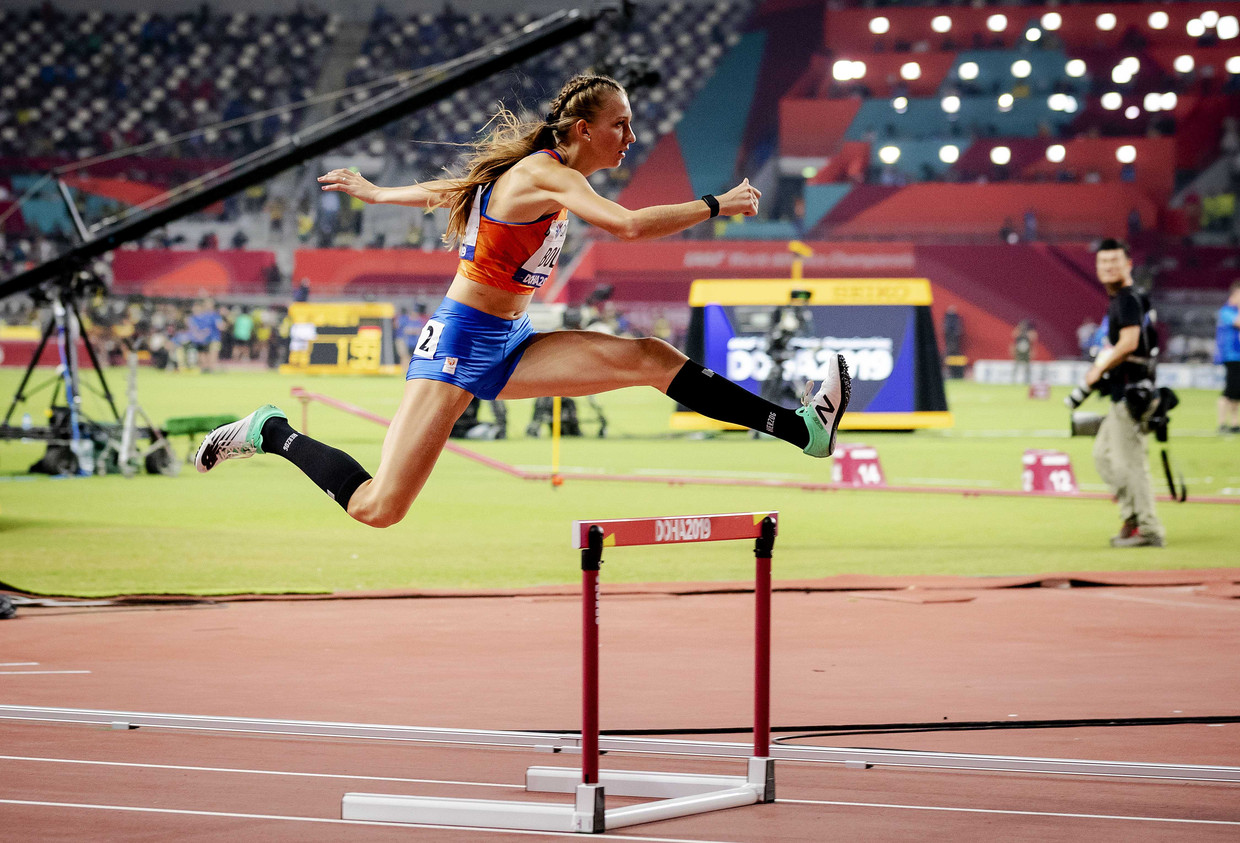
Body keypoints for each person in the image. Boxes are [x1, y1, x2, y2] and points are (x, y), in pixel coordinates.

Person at [194, 74, 850, 528]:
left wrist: (378, 192)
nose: (630, 135)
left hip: (510, 339)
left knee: (650, 355)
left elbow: (449, 187)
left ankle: (803, 431)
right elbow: (622, 226)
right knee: (378, 507)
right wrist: (716, 203)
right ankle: (269, 431)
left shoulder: (534, 173)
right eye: (619, 125)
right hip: (459, 343)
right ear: (580, 128)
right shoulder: (545, 174)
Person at [1065, 238, 1164, 547]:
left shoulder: (1127, 299)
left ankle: (1148, 529)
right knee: (1103, 457)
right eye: (1102, 262)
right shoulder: (1130, 298)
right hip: (1126, 391)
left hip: (1133, 393)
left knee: (1128, 463)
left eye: (1114, 261)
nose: (1107, 267)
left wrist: (1099, 368)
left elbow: (1130, 342)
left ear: (1128, 264)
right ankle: (1132, 516)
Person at [1216, 279, 1240, 433]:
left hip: (1238, 356)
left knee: (1236, 392)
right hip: (1231, 356)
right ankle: (1222, 423)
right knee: (1229, 391)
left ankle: (1235, 423)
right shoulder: (1226, 311)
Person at [1010, 319, 1037, 383]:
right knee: (1016, 365)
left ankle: (1027, 380)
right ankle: (1013, 380)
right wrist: (1013, 350)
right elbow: (1014, 340)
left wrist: (1032, 351)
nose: (1023, 326)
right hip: (1019, 351)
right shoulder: (1018, 332)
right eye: (1021, 325)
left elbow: (1033, 341)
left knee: (1027, 366)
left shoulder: (1030, 333)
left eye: (1024, 325)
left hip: (1026, 351)